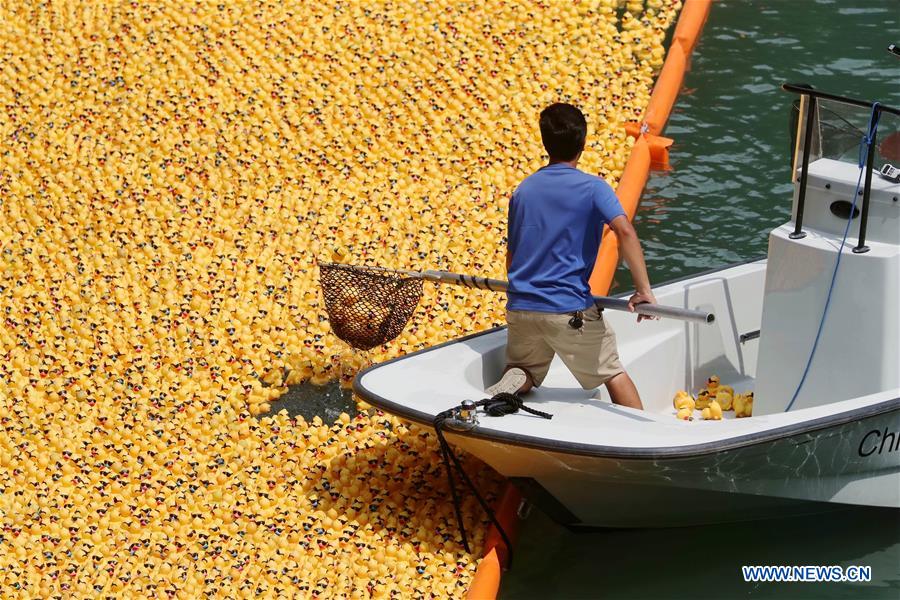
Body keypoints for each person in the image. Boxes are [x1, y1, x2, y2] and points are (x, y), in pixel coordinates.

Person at [487, 103, 656, 410]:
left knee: (525, 369)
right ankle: (642, 440)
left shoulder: (523, 191)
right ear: (582, 144)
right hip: (567, 309)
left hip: (521, 306)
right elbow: (625, 231)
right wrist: (643, 290)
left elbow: (512, 257)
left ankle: (515, 380)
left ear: (544, 142)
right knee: (612, 371)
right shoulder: (593, 188)